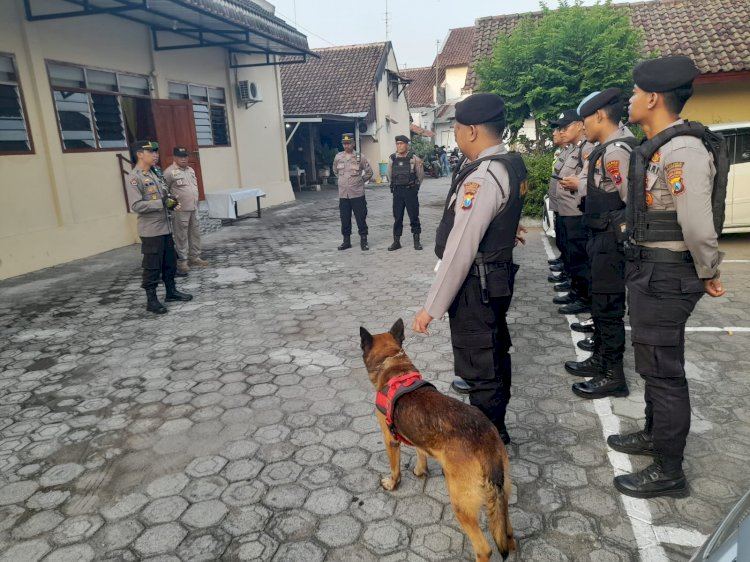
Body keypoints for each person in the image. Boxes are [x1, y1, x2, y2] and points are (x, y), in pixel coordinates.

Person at [608, 56, 727, 498]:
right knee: (652, 365)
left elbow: (697, 225)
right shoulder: (659, 147)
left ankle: (670, 470)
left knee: (664, 371)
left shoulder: (682, 151)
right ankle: (654, 435)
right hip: (650, 272)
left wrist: (709, 271)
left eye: (637, 93)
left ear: (653, 97)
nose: (633, 100)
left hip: (666, 274)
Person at [412, 92, 527, 445]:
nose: (457, 135)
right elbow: (502, 215)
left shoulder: (485, 175)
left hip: (475, 283)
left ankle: (488, 442)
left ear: (473, 131)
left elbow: (461, 249)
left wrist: (431, 308)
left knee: (481, 364)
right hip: (493, 278)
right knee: (492, 351)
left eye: (459, 128)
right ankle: (496, 430)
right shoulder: (510, 163)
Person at [566, 88, 637, 399]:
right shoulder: (604, 148)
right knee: (600, 302)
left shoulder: (616, 151)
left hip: (611, 241)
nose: (583, 128)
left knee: (608, 307)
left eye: (585, 121)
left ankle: (613, 374)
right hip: (599, 237)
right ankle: (601, 360)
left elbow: (632, 202)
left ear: (599, 116)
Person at [125, 141, 193, 314]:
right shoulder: (134, 178)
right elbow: (136, 206)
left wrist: (170, 202)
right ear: (140, 154)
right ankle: (152, 300)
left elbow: (164, 195)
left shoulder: (156, 172)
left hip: (166, 227)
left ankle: (171, 292)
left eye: (156, 152)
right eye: (151, 152)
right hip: (151, 230)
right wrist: (160, 203)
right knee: (152, 265)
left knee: (169, 262)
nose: (156, 155)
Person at [556, 110, 596, 314]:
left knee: (580, 257)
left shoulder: (587, 148)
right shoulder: (574, 148)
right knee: (572, 255)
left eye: (566, 126)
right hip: (566, 211)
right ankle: (577, 291)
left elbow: (590, 180)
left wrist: (577, 183)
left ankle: (584, 298)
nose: (562, 131)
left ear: (580, 125)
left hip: (577, 212)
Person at [163, 147, 207, 274]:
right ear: (174, 157)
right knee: (181, 236)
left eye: (185, 156)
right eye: (180, 156)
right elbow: (164, 191)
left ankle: (195, 257)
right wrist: (172, 206)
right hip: (180, 210)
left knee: (195, 234)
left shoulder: (190, 170)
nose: (183, 159)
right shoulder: (169, 172)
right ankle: (182, 261)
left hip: (193, 208)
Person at [332, 133, 373, 251]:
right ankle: (346, 241)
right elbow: (335, 170)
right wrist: (342, 180)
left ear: (353, 143)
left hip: (357, 194)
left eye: (349, 143)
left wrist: (360, 181)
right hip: (343, 194)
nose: (346, 146)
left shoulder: (360, 157)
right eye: (344, 143)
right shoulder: (338, 157)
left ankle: (364, 241)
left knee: (361, 217)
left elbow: (369, 173)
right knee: (344, 218)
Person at [387, 135, 425, 251]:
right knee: (397, 217)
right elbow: (390, 175)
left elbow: (420, 175)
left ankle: (416, 242)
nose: (399, 146)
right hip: (397, 192)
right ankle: (396, 241)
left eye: (402, 143)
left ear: (407, 145)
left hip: (410, 191)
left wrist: (415, 188)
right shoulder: (392, 158)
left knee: (414, 216)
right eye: (397, 144)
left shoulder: (414, 159)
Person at [547, 125, 571, 288]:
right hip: (560, 203)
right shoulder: (563, 152)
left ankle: (571, 277)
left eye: (560, 129)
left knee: (572, 245)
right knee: (562, 239)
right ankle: (565, 266)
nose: (556, 132)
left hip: (571, 206)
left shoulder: (578, 150)